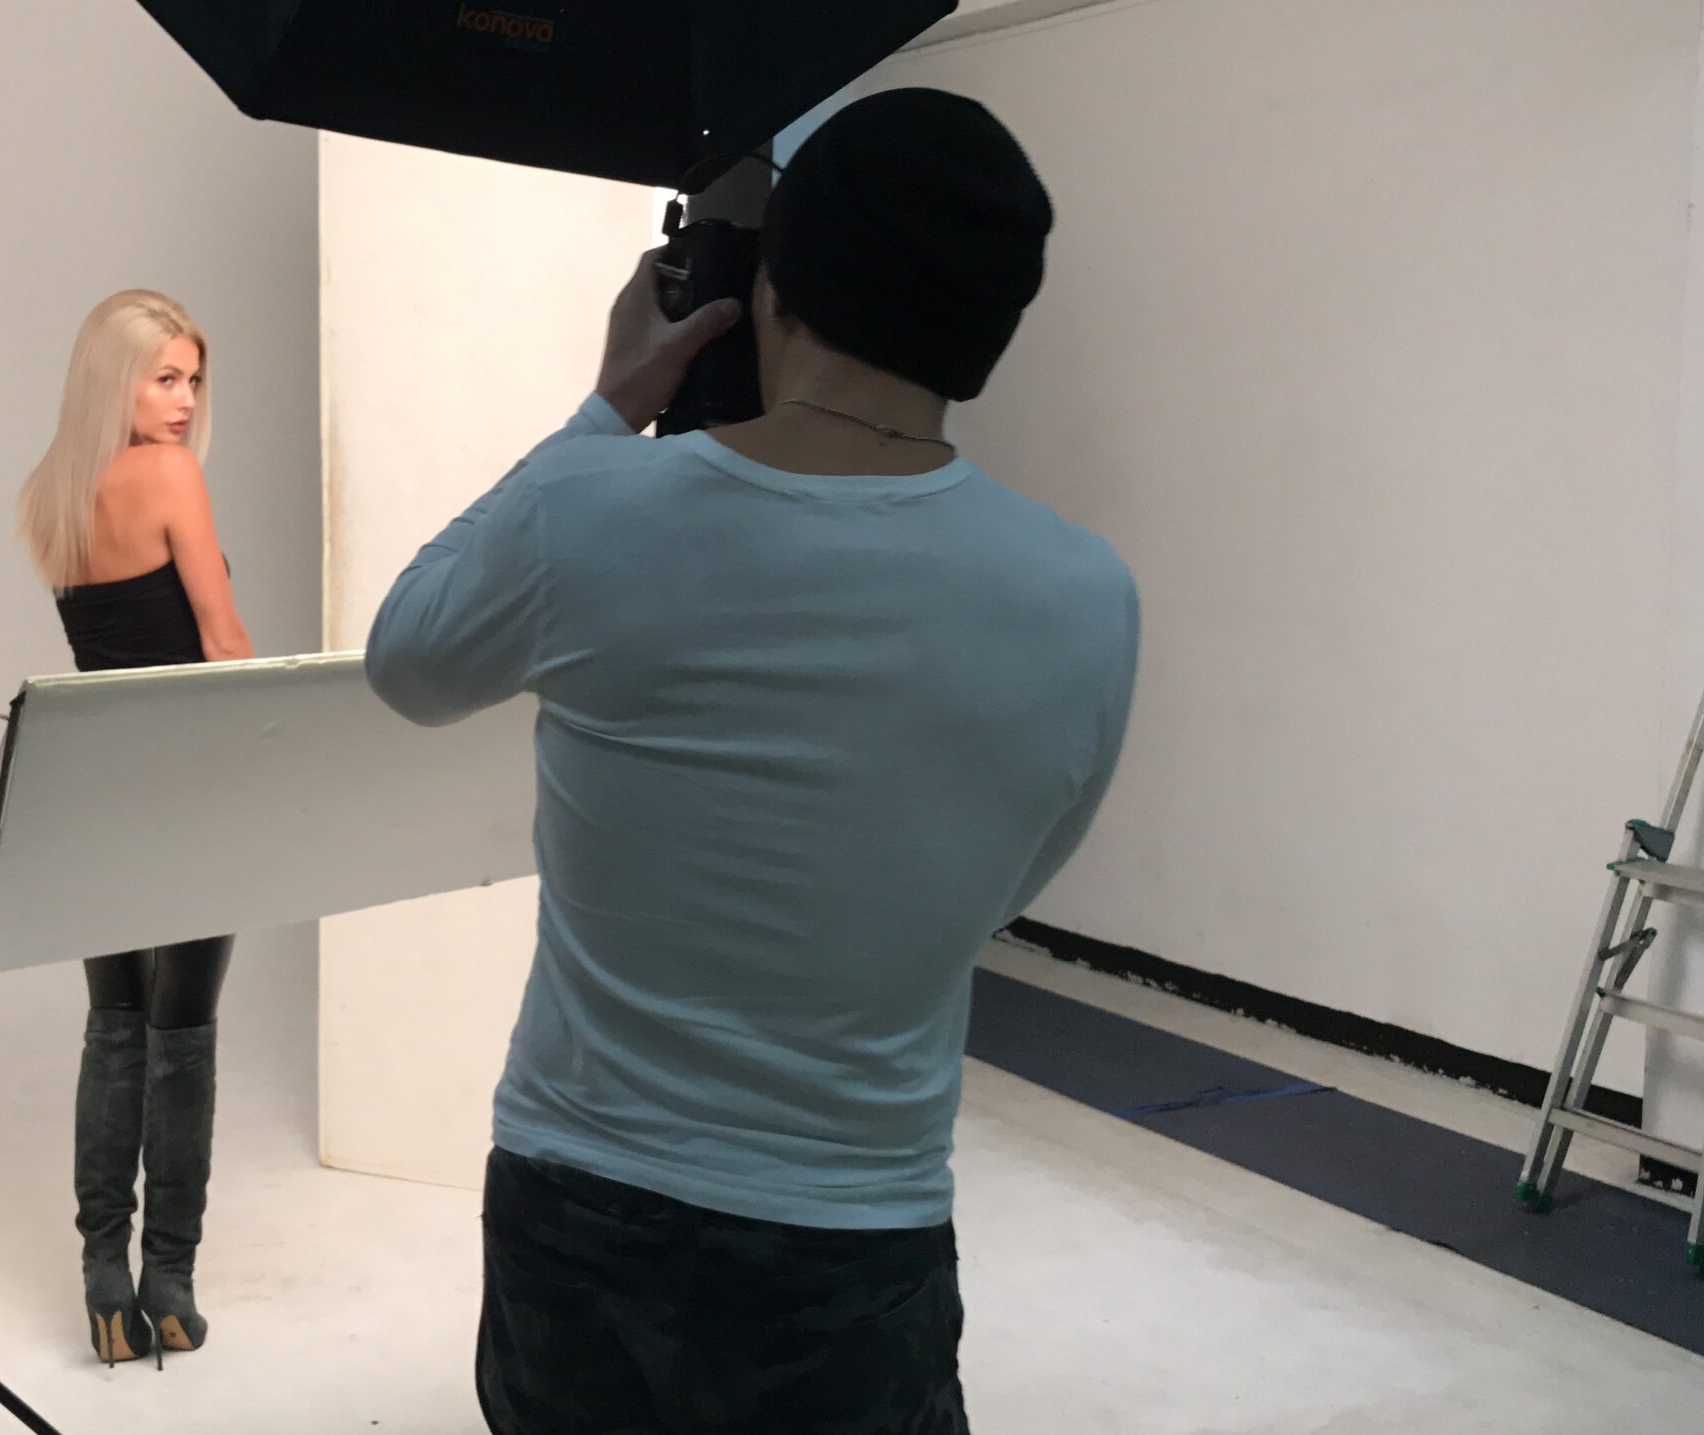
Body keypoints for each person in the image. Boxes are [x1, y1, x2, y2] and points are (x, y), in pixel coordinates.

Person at [364, 89, 1139, 1433]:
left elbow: (408, 661)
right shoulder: (1084, 594)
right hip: (855, 1236)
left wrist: (609, 407)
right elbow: (1003, 880)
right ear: (992, 327)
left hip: (580, 1210)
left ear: (769, 284)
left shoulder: (596, 513)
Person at [17, 289, 254, 1367]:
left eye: (193, 379)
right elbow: (222, 643)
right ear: (116, 379)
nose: (184, 400)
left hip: (88, 786)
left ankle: (100, 1278)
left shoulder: (48, 498)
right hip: (187, 783)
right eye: (165, 376)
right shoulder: (169, 476)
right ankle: (169, 1282)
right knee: (181, 1029)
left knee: (113, 1023)